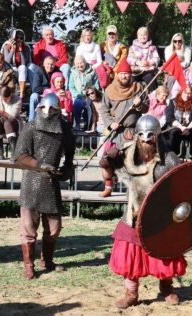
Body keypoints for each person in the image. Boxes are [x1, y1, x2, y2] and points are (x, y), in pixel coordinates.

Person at [110, 115, 185, 308]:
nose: (145, 140)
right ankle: (131, 293)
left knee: (165, 252)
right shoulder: (128, 154)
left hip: (161, 214)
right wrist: (108, 159)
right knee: (131, 253)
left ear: (157, 135)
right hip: (134, 211)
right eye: (141, 136)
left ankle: (167, 288)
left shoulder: (169, 158)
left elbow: (180, 185)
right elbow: (110, 171)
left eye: (150, 136)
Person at [12, 93, 75, 280]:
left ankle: (46, 261)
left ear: (58, 111)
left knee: (54, 228)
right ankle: (29, 266)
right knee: (28, 229)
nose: (47, 112)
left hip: (51, 182)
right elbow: (20, 156)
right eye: (44, 108)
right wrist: (39, 165)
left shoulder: (64, 129)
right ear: (39, 108)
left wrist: (66, 170)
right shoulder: (31, 127)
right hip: (32, 182)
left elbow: (69, 155)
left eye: (52, 109)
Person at [97, 58, 143, 197]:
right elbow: (104, 110)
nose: (124, 76)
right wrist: (111, 123)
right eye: (122, 73)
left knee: (133, 162)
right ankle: (108, 187)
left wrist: (139, 104)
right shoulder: (110, 90)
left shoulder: (138, 88)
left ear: (130, 74)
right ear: (118, 74)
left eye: (127, 73)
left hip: (132, 132)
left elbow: (145, 108)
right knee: (106, 161)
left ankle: (134, 191)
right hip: (115, 133)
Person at [165, 85, 192, 160]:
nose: (187, 95)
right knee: (174, 133)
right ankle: (172, 156)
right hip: (177, 126)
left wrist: (188, 128)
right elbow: (169, 118)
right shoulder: (173, 102)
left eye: (189, 93)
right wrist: (181, 127)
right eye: (185, 92)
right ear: (181, 92)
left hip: (190, 127)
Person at [0, 85, 21, 159]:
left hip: (13, 123)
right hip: (0, 122)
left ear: (11, 95)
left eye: (6, 99)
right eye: (3, 99)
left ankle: (14, 152)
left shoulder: (17, 99)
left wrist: (2, 112)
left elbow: (12, 117)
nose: (4, 101)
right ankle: (0, 152)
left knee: (7, 123)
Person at [69, 55, 99, 131]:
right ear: (75, 65)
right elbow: (71, 87)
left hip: (88, 95)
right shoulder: (73, 73)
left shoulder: (92, 72)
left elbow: (96, 85)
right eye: (77, 64)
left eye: (81, 63)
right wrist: (77, 94)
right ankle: (77, 124)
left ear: (85, 63)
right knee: (77, 104)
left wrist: (92, 93)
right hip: (78, 96)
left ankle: (87, 126)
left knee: (88, 106)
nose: (80, 65)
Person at [1, 29, 32, 99]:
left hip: (22, 71)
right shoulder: (7, 46)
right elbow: (7, 62)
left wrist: (21, 52)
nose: (19, 40)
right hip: (10, 69)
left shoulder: (26, 47)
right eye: (16, 38)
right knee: (14, 68)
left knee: (23, 68)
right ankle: (12, 94)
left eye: (21, 38)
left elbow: (24, 64)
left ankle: (21, 93)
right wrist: (12, 50)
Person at [97, 25, 127, 89]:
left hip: (117, 70)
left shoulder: (122, 47)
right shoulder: (102, 45)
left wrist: (113, 71)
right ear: (107, 35)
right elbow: (98, 58)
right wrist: (104, 63)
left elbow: (122, 61)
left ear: (117, 35)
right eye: (109, 34)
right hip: (106, 69)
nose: (111, 35)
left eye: (113, 33)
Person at [28, 56, 56, 122]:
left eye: (52, 64)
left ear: (54, 65)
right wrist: (48, 90)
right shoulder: (38, 72)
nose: (50, 66)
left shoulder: (57, 72)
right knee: (33, 96)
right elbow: (35, 89)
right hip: (41, 95)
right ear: (44, 64)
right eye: (48, 64)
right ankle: (31, 121)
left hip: (54, 96)